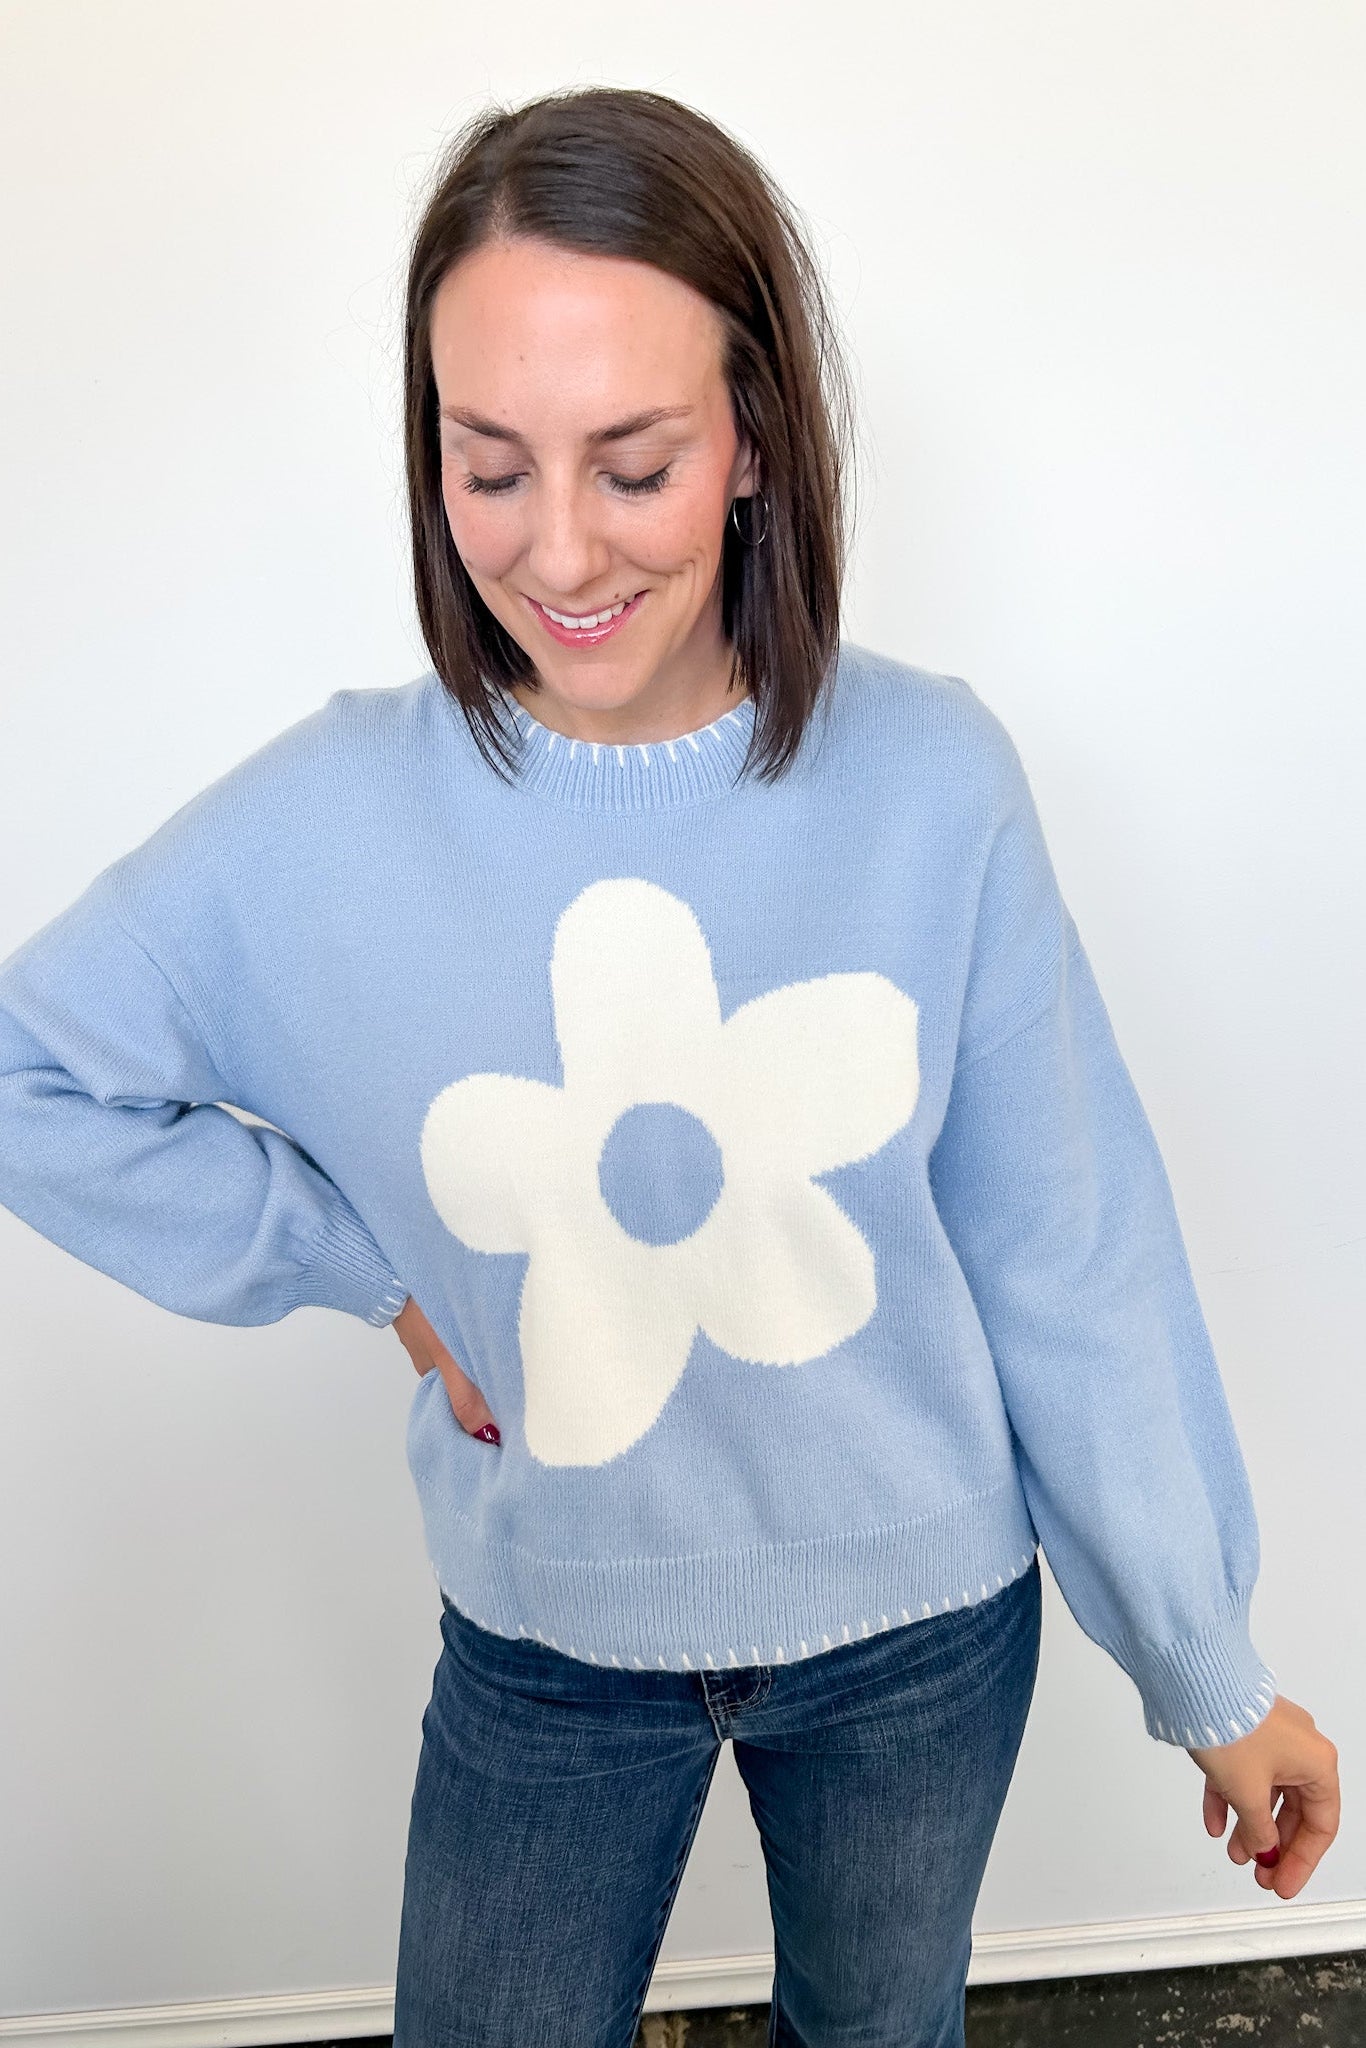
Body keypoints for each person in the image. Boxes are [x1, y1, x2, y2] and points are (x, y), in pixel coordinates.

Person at [0, 83, 1340, 2048]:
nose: (553, 551)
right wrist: (358, 1267)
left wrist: (1204, 1666)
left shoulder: (928, 781)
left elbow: (1067, 1253)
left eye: (628, 463)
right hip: (548, 1648)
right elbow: (33, 1067)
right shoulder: (327, 822)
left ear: (749, 445)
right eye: (485, 465)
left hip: (918, 1637)